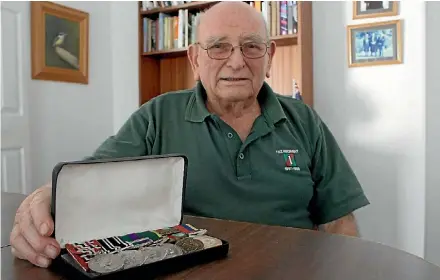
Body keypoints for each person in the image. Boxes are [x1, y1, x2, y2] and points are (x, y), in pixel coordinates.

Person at [9, 1, 370, 269]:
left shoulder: (303, 120)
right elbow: (88, 179)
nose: (236, 61)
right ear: (195, 59)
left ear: (269, 55)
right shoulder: (158, 114)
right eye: (218, 47)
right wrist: (43, 197)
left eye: (251, 46)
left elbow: (340, 221)